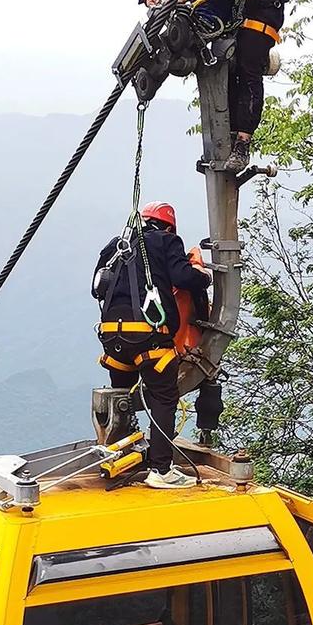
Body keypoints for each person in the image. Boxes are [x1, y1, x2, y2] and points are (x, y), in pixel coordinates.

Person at [134, 0, 289, 175]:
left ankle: (242, 143)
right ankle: (224, 134)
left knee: (248, 63)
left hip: (262, 3)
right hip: (230, 6)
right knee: (218, 60)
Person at [93, 200, 211, 489]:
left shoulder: (116, 245)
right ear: (169, 225)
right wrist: (204, 276)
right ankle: (161, 469)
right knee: (164, 397)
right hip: (147, 335)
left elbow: (98, 285)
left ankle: (118, 455)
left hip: (112, 336)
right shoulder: (166, 241)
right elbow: (184, 277)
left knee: (121, 396)